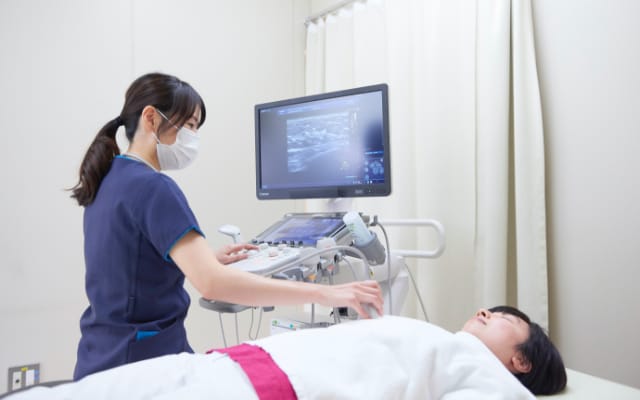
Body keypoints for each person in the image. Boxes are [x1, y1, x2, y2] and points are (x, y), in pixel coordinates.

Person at [68, 72, 383, 381]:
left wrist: (204, 259)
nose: (193, 136)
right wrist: (326, 294)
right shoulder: (153, 187)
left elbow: (128, 267)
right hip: (142, 369)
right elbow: (212, 285)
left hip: (100, 359)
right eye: (189, 125)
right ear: (151, 118)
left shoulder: (109, 177)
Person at [4, 306, 566, 400]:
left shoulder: (485, 372)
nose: (486, 312)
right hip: (230, 367)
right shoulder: (441, 341)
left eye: (506, 319)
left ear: (520, 361)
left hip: (259, 388)